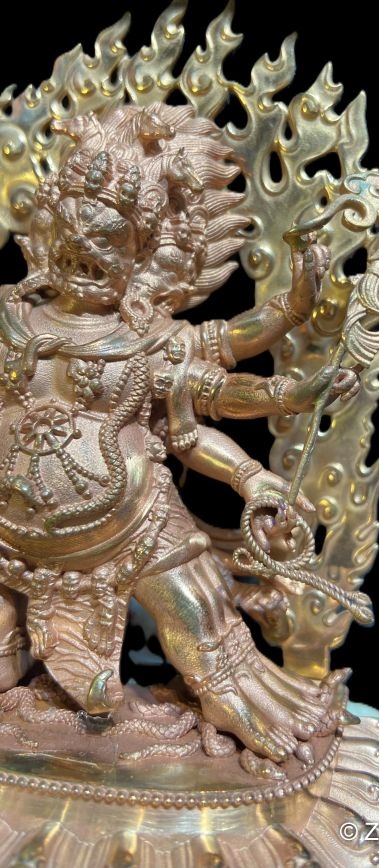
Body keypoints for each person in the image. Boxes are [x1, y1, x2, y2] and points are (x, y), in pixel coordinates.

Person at [0, 103, 359, 760]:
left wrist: (294, 333)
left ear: (143, 254)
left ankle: (231, 695)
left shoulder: (152, 343)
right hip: (10, 534)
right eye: (71, 233)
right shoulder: (10, 319)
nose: (84, 250)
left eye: (106, 244)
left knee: (196, 614)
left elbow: (224, 381)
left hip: (132, 521)